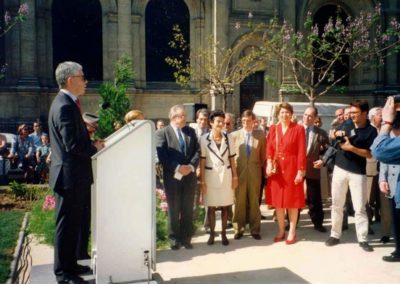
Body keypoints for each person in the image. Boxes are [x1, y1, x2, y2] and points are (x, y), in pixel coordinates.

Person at [49, 61, 103, 284]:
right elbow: (71, 145)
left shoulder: (68, 103)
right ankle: (63, 273)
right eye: (82, 77)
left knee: (73, 224)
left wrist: (90, 140)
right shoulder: (64, 105)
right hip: (69, 177)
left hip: (74, 175)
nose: (86, 81)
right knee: (66, 225)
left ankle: (70, 264)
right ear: (70, 80)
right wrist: (95, 147)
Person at [325, 99, 377, 252]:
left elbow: (369, 154)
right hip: (340, 169)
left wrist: (351, 148)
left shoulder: (371, 131)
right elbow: (332, 135)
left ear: (365, 113)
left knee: (360, 207)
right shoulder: (347, 124)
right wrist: (336, 133)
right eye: (351, 112)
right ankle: (335, 234)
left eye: (355, 113)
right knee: (337, 204)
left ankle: (363, 238)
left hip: (358, 173)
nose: (352, 115)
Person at [155, 104, 200, 250]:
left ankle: (186, 238)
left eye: (185, 116)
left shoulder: (191, 131)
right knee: (174, 209)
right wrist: (177, 167)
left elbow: (197, 151)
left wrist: (191, 167)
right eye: (182, 116)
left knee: (187, 208)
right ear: (174, 118)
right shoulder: (163, 133)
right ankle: (174, 238)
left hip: (189, 176)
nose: (185, 119)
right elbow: (163, 156)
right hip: (172, 177)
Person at [265, 102, 306, 245]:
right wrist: (269, 164)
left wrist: (300, 171)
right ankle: (281, 230)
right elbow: (269, 148)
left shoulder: (299, 129)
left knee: (292, 202)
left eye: (287, 112)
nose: (285, 115)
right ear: (278, 114)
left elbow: (301, 151)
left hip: (292, 168)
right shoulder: (273, 129)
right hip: (277, 170)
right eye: (282, 112)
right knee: (279, 203)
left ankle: (292, 231)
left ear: (292, 114)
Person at [199, 110, 238, 245]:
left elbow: (232, 159)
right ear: (211, 123)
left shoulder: (228, 138)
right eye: (218, 121)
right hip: (211, 176)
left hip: (226, 176)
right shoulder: (204, 139)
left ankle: (223, 234)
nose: (221, 124)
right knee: (211, 207)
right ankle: (211, 234)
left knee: (225, 206)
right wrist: (202, 181)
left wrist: (235, 177)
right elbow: (202, 161)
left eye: (222, 121)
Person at [371, 95, 400, 262]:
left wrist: (386, 123)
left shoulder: (388, 130)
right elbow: (384, 160)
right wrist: (383, 178)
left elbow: (380, 151)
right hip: (393, 183)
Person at [231, 110, 266, 240]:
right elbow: (231, 156)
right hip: (239, 172)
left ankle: (255, 229)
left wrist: (256, 166)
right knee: (239, 200)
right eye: (244, 121)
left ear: (253, 121)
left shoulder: (260, 135)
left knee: (254, 201)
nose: (246, 123)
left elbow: (263, 156)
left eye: (249, 121)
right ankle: (238, 229)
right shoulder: (234, 135)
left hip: (254, 172)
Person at [302, 107, 330, 232]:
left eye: (310, 116)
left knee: (314, 198)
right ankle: (292, 221)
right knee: (296, 196)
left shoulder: (321, 133)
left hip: (313, 169)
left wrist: (323, 160)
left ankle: (318, 223)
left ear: (315, 118)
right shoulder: (296, 130)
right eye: (305, 114)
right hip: (297, 169)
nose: (307, 118)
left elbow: (330, 149)